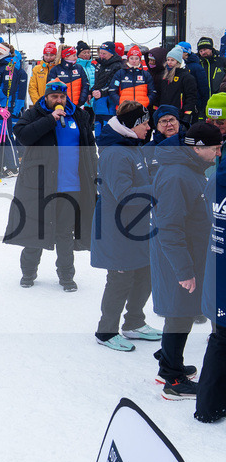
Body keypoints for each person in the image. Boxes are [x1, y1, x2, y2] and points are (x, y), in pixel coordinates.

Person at [149, 121, 221, 400]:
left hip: (186, 254)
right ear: (198, 148)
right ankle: (173, 380)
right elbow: (169, 226)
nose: (217, 154)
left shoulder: (190, 168)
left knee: (183, 312)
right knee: (179, 314)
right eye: (215, 148)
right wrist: (184, 270)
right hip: (177, 257)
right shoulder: (178, 175)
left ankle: (170, 364)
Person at [3, 80, 97, 291]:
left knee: (64, 232)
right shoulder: (34, 113)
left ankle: (66, 276)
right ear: (46, 97)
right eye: (54, 97)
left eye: (62, 97)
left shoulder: (78, 115)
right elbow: (23, 135)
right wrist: (49, 120)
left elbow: (90, 146)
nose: (59, 101)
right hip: (40, 184)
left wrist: (94, 171)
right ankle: (28, 272)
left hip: (71, 184)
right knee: (36, 229)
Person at [90, 101, 160, 352]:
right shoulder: (116, 153)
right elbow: (124, 195)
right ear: (133, 125)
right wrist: (157, 189)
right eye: (145, 122)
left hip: (138, 227)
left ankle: (134, 323)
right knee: (120, 279)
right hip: (117, 229)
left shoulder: (131, 146)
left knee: (144, 272)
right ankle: (106, 331)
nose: (149, 126)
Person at [196, 141, 226, 422]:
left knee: (221, 339)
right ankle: (208, 407)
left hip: (218, 269)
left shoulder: (215, 179)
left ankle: (210, 405)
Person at [0, 48, 27, 176]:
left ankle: (13, 166)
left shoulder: (9, 68)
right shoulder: (0, 67)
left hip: (4, 106)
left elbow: (7, 90)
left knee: (6, 136)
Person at [156, 45, 200, 125]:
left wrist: (187, 113)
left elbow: (191, 97)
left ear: (178, 62)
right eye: (168, 60)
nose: (169, 62)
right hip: (164, 113)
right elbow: (159, 94)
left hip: (179, 114)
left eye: (172, 60)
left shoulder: (186, 77)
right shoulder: (163, 76)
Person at [90, 41, 125, 132]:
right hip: (99, 102)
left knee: (107, 130)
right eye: (100, 53)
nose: (101, 55)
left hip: (109, 103)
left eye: (104, 53)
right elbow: (98, 83)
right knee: (98, 131)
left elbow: (113, 85)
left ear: (112, 53)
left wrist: (101, 92)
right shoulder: (99, 64)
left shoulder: (117, 66)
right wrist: (91, 91)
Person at [111, 45, 154, 110]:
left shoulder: (146, 74)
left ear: (140, 60)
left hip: (141, 109)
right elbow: (112, 90)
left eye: (136, 58)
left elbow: (152, 91)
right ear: (128, 59)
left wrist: (146, 102)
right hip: (124, 109)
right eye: (131, 58)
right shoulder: (120, 73)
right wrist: (120, 102)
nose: (134, 61)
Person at [196, 37, 226, 101]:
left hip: (219, 99)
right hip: (202, 101)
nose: (203, 52)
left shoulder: (222, 61)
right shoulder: (197, 63)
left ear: (211, 49)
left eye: (205, 49)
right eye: (200, 51)